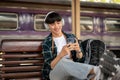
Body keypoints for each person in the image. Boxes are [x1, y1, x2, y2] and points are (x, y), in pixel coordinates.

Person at [41, 11, 99, 80]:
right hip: (54, 74)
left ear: (62, 23)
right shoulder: (46, 43)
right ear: (47, 26)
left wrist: (78, 51)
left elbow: (80, 59)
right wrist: (61, 55)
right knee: (63, 62)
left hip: (72, 72)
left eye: (58, 23)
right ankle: (95, 70)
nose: (56, 26)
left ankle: (94, 75)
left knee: (83, 77)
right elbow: (51, 66)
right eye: (52, 24)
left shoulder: (71, 37)